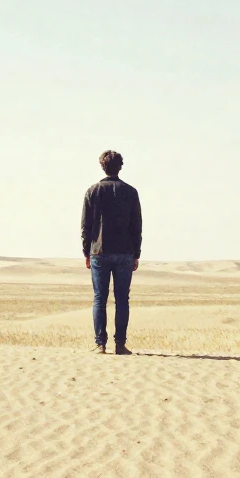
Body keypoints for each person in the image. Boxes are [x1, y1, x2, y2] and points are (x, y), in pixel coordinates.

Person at [81, 150, 142, 354]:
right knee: (122, 299)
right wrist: (136, 253)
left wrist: (86, 252)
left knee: (100, 298)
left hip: (99, 251)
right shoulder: (131, 192)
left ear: (102, 166)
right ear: (120, 167)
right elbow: (136, 226)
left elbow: (86, 226)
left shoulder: (93, 191)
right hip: (124, 252)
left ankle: (100, 343)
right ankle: (120, 344)